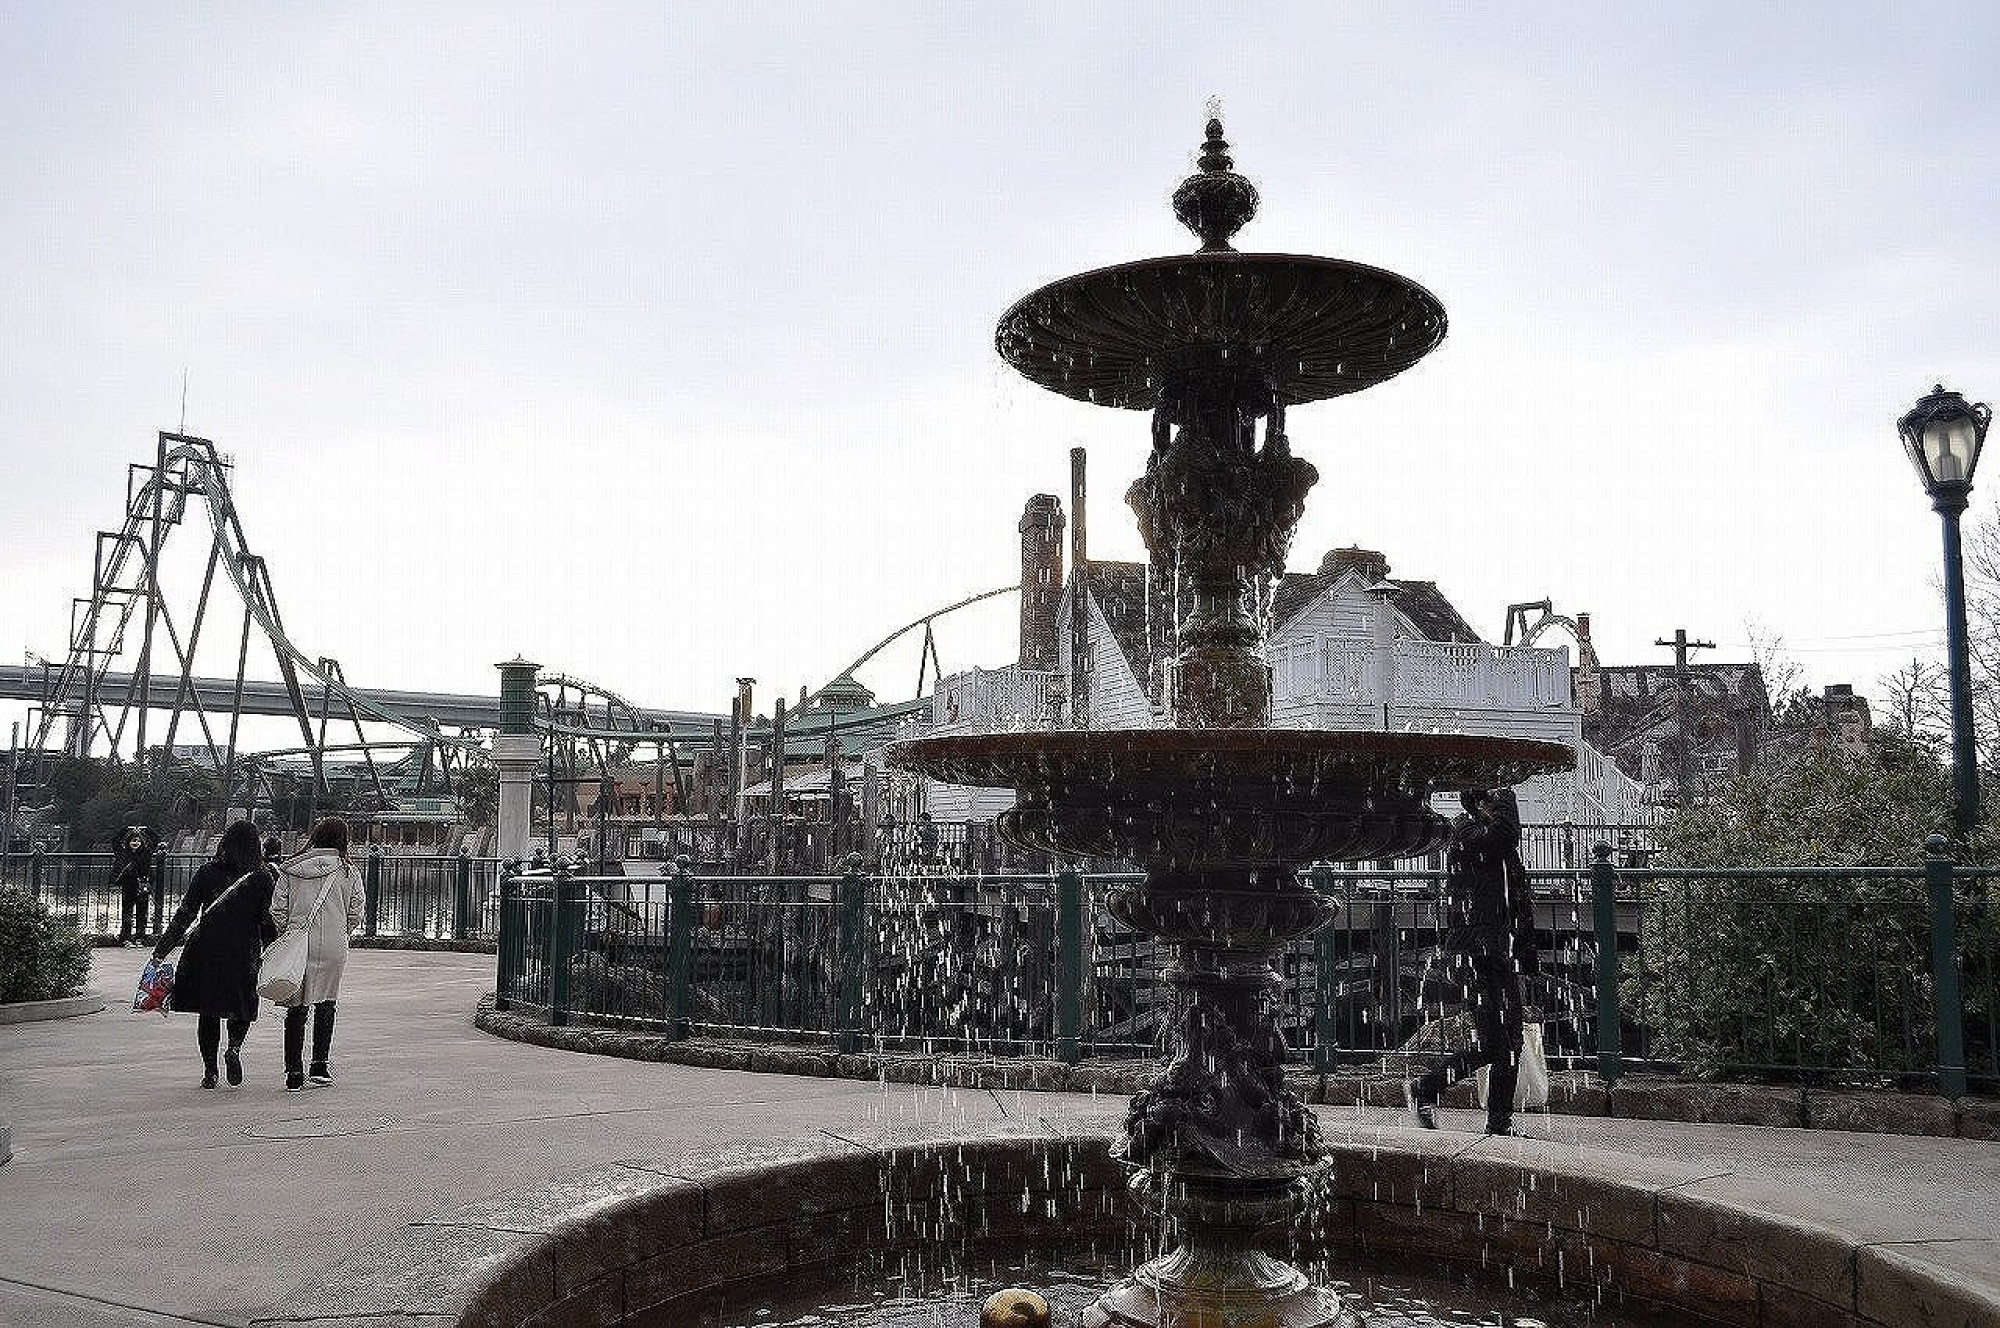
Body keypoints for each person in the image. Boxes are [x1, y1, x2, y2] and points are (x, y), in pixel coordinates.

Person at [1406, 786, 1538, 1136]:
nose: (1503, 810)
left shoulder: (1496, 845)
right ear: (1480, 804)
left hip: (1498, 953)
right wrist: (1506, 794)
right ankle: (1427, 1089)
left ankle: (1495, 1120)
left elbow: (1517, 903)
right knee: (1498, 1043)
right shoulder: (1466, 832)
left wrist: (1526, 957)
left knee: (1507, 1043)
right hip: (1475, 954)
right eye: (1496, 803)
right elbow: (1507, 832)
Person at [150, 821, 278, 1089]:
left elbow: (185, 914)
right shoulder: (263, 877)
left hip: (205, 949)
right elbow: (267, 922)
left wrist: (161, 951)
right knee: (242, 1006)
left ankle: (210, 1071)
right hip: (243, 952)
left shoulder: (207, 872)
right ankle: (234, 1048)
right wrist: (274, 953)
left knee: (208, 1011)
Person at [268, 817, 366, 1092]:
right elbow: (356, 911)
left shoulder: (291, 869)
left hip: (299, 943)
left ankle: (293, 1072)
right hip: (334, 945)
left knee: (296, 1008)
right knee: (326, 1003)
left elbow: (277, 909)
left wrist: (289, 933)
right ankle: (320, 1065)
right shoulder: (348, 871)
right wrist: (342, 930)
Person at [114, 826, 158, 946]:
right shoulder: (123, 853)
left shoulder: (146, 853)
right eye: (133, 841)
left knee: (142, 914)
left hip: (142, 887)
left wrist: (146, 829)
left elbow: (155, 840)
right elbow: (115, 841)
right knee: (127, 914)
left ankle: (140, 938)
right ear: (128, 842)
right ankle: (126, 939)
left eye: (138, 841)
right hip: (128, 887)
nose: (135, 843)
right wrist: (126, 829)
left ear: (141, 842)